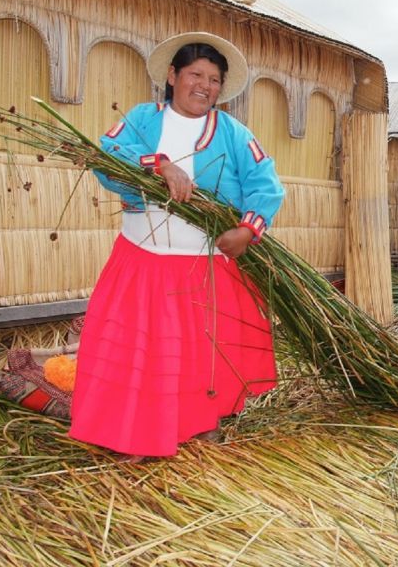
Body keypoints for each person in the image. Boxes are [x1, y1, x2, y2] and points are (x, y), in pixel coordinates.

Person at [69, 32, 285, 460]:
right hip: (141, 257)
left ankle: (201, 424)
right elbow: (107, 153)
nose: (204, 85)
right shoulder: (143, 120)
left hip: (201, 263)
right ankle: (130, 432)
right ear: (172, 76)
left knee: (198, 350)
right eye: (195, 74)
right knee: (139, 349)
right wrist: (158, 164)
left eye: (214, 79)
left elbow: (267, 187)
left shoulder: (234, 133)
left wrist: (247, 231)